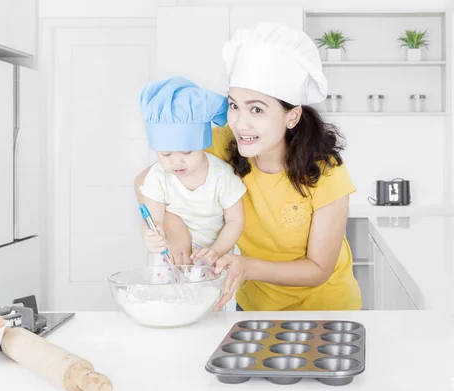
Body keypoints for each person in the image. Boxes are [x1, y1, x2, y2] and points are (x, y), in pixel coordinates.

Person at [134, 22, 362, 311]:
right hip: (253, 311)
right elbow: (145, 180)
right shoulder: (223, 146)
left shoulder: (326, 171)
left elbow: (318, 268)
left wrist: (248, 268)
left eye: (256, 109)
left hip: (326, 312)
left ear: (291, 116)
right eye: (234, 105)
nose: (240, 124)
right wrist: (172, 223)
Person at [138, 77, 246, 273]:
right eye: (166, 154)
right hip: (169, 260)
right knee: (168, 301)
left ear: (203, 144)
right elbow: (153, 220)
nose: (176, 162)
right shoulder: (158, 176)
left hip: (209, 259)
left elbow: (235, 221)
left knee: (206, 302)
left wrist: (216, 251)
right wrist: (151, 236)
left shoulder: (222, 177)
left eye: (187, 152)